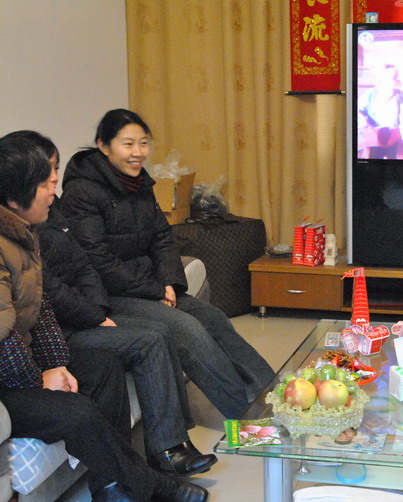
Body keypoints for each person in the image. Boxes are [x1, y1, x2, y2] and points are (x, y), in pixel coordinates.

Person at [0, 136, 209, 502]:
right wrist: (39, 381)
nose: (54, 190)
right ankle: (144, 483)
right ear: (13, 197)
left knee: (101, 367)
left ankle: (113, 493)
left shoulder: (9, 228)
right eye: (45, 183)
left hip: (10, 360)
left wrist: (57, 363)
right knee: (75, 411)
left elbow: (39, 306)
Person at [3, 130, 216, 477]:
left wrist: (98, 308)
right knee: (150, 339)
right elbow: (48, 291)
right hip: (65, 328)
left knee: (167, 329)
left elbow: (85, 264)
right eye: (47, 173)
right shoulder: (19, 231)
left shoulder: (52, 211)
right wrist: (93, 316)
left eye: (55, 169)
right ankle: (167, 450)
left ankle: (172, 444)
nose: (54, 180)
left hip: (87, 312)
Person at [59, 109, 275, 419]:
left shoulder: (139, 184)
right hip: (109, 295)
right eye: (128, 144)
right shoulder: (82, 192)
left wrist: (170, 282)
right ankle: (248, 416)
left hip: (148, 286)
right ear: (104, 146)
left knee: (213, 318)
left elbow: (163, 237)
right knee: (186, 328)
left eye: (143, 143)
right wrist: (154, 290)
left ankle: (276, 396)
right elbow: (96, 259)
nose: (138, 153)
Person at [358, 64, 403, 159]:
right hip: (375, 139)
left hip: (393, 137)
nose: (393, 82)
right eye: (390, 79)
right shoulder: (371, 94)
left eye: (395, 78)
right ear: (383, 80)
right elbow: (359, 111)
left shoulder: (399, 95)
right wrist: (363, 122)